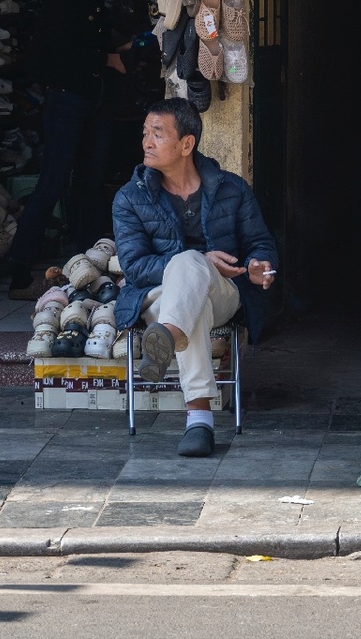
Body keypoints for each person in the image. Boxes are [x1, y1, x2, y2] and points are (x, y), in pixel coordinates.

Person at [114, 98, 277, 458]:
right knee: (192, 288)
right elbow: (135, 267)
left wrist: (258, 266)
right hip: (157, 299)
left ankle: (167, 342)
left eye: (157, 134)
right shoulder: (130, 198)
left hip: (224, 294)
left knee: (196, 281)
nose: (146, 143)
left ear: (186, 145)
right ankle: (198, 420)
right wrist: (198, 259)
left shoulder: (231, 189)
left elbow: (260, 244)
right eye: (145, 134)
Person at [5, 0, 127, 298]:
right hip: (70, 99)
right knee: (54, 183)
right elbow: (59, 53)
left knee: (88, 183)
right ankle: (19, 273)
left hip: (86, 97)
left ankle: (87, 268)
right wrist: (105, 59)